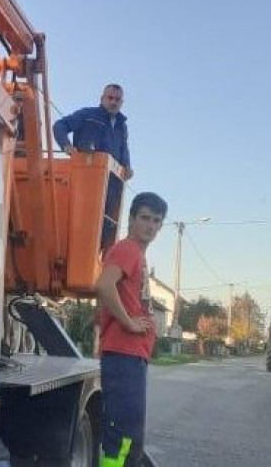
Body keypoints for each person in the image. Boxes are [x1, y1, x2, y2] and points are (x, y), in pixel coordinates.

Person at [95, 191, 168, 467]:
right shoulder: (127, 249)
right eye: (145, 218)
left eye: (156, 221)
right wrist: (128, 322)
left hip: (132, 356)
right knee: (121, 435)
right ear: (132, 219)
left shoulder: (137, 254)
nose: (150, 226)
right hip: (122, 354)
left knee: (130, 435)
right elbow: (103, 285)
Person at [52, 83, 132, 177]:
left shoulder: (122, 127)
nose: (113, 102)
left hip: (112, 181)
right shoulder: (87, 115)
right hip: (85, 175)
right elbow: (60, 125)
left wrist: (127, 166)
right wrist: (66, 145)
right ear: (102, 99)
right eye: (110, 98)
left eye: (117, 99)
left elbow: (124, 149)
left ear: (121, 103)